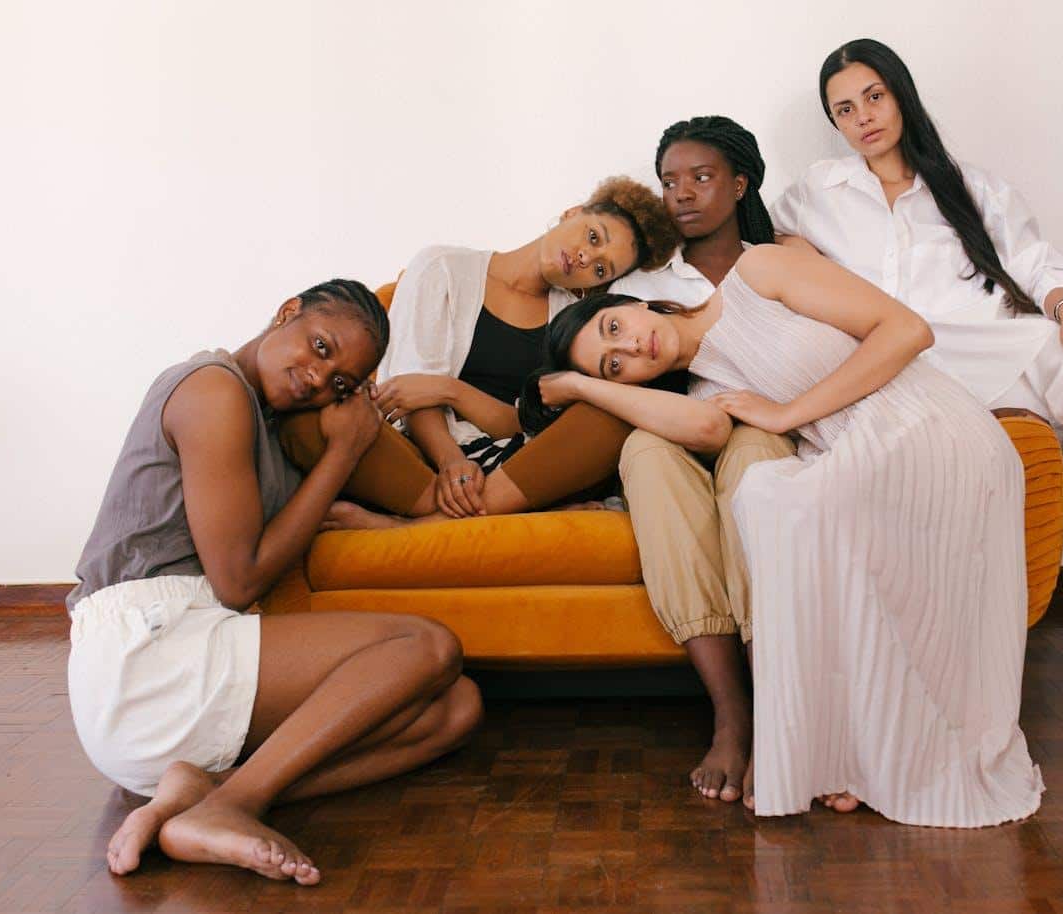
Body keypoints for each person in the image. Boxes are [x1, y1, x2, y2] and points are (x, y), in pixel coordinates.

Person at [768, 38, 1063, 709]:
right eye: (844, 109)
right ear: (835, 124)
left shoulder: (971, 186)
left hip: (1011, 349)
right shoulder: (814, 196)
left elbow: (1038, 264)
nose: (863, 116)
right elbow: (766, 253)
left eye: (874, 96)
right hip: (919, 368)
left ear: (900, 95)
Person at [520, 244, 1045, 825]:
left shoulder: (757, 272)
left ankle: (837, 747)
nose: (629, 348)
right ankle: (842, 748)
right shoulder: (702, 387)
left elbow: (906, 330)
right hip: (860, 455)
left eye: (614, 326)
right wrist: (583, 387)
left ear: (635, 299)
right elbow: (706, 426)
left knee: (777, 499)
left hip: (925, 429)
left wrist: (787, 413)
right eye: (613, 364)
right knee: (782, 503)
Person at [67, 279, 483, 884]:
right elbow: (238, 581)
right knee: (429, 647)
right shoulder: (213, 389)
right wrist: (344, 452)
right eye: (319, 346)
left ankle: (201, 795)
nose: (318, 377)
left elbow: (297, 532)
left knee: (455, 711)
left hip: (186, 649)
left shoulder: (269, 423)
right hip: (143, 660)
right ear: (287, 312)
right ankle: (236, 806)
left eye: (340, 380)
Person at [279, 178, 678, 528]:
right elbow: (407, 393)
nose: (586, 258)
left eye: (602, 270)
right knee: (311, 418)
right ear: (573, 213)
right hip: (418, 459)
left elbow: (527, 424)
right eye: (593, 237)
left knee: (606, 415)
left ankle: (406, 526)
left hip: (510, 466)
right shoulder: (443, 267)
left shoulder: (574, 324)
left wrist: (450, 391)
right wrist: (452, 460)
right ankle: (495, 509)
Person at [607, 116, 795, 804]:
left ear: (740, 183)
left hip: (766, 421)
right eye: (669, 181)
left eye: (702, 177)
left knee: (753, 465)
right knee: (644, 455)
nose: (681, 193)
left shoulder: (779, 257)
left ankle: (776, 704)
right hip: (682, 430)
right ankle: (730, 712)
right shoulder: (643, 281)